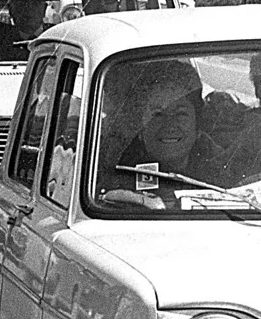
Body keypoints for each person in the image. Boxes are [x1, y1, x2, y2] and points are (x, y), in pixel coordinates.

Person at [97, 60, 235, 208]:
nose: (170, 124)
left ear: (197, 123)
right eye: (157, 114)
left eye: (180, 114)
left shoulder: (221, 167)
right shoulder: (111, 167)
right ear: (140, 125)